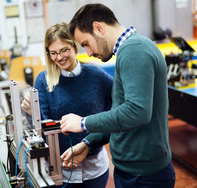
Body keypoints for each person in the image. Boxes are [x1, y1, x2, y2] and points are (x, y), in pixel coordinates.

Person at [59, 3, 176, 188]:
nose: (89, 53)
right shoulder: (131, 49)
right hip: (134, 172)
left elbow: (136, 112)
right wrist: (89, 142)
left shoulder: (134, 50)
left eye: (86, 44)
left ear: (98, 28)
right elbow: (120, 114)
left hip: (144, 177)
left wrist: (83, 123)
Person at [21, 22, 113, 188]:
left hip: (95, 168)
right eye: (53, 53)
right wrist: (30, 112)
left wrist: (93, 139)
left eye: (64, 50)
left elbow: (116, 109)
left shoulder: (96, 75)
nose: (59, 57)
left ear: (74, 46)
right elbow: (42, 129)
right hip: (60, 171)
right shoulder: (43, 81)